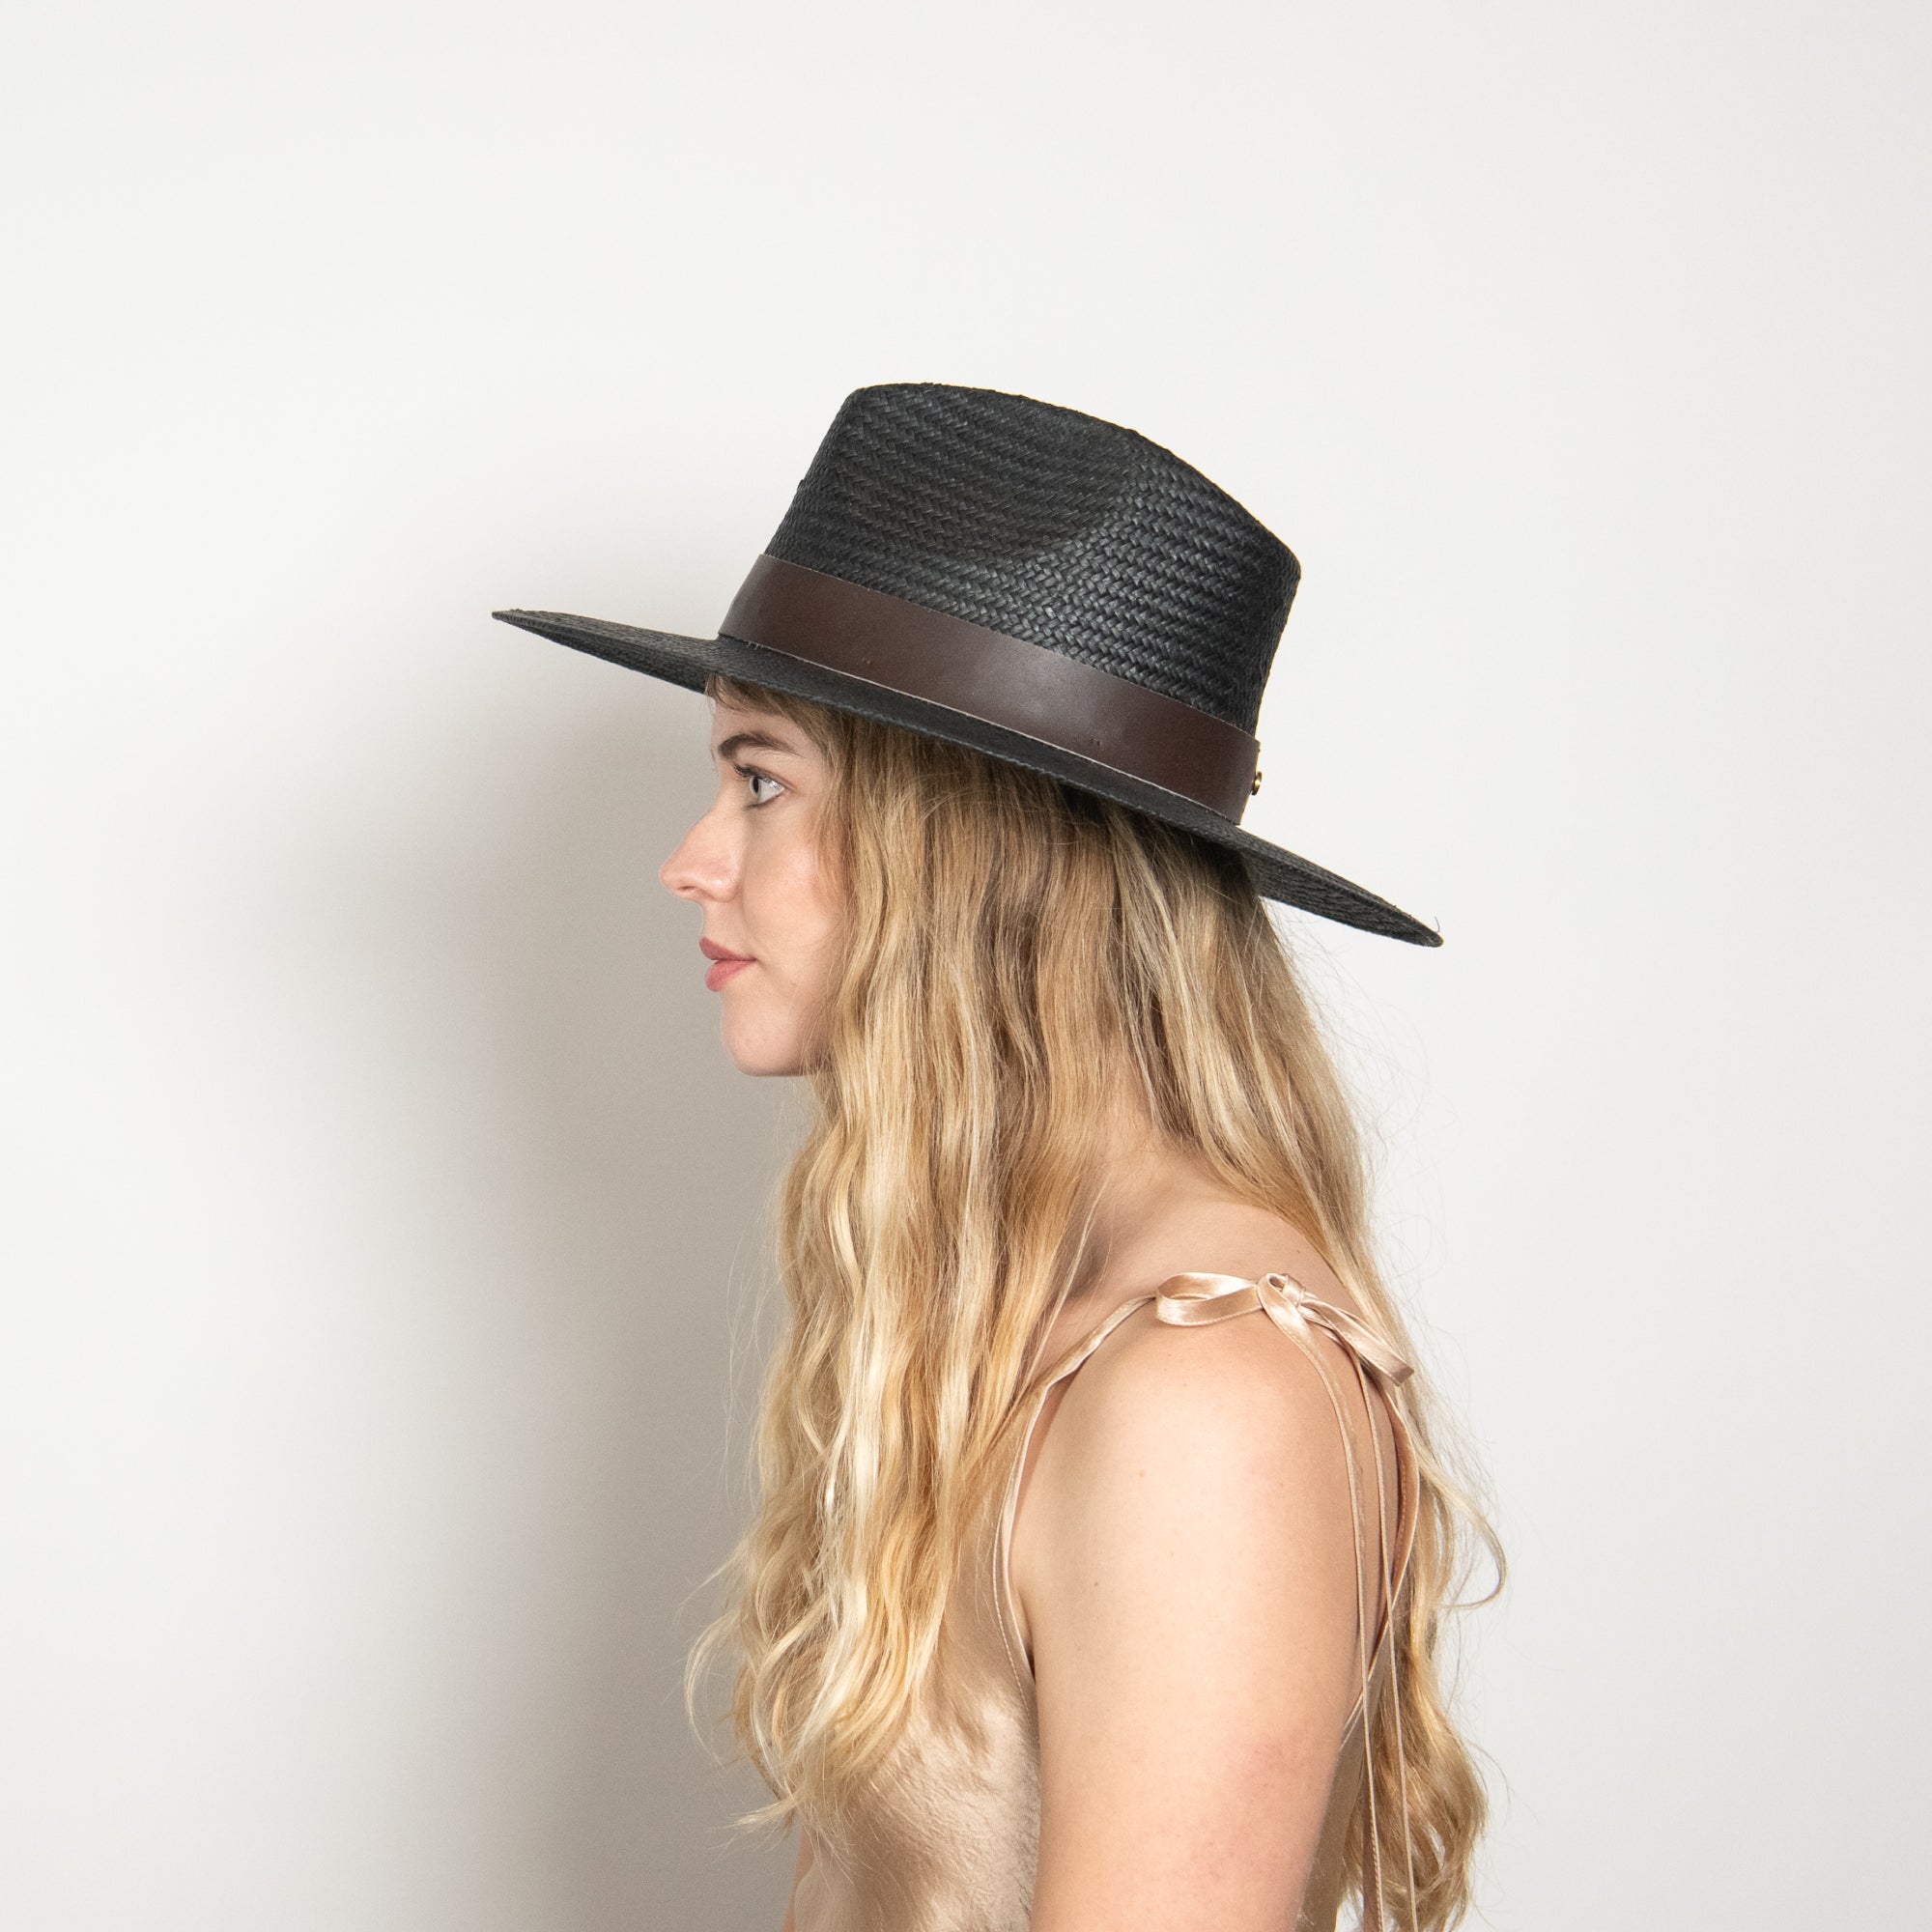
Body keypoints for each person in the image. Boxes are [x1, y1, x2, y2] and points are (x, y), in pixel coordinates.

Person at [495, 384, 1498, 1931]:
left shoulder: (1201, 1393)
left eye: (760, 780)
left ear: (965, 851)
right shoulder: (1016, 1313)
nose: (692, 858)